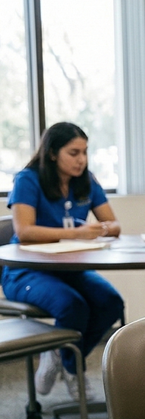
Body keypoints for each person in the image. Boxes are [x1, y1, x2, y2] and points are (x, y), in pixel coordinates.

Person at [2, 122, 125, 400]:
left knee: (110, 303)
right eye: (74, 153)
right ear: (53, 153)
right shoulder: (28, 179)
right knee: (73, 306)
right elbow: (25, 231)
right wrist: (77, 233)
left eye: (85, 152)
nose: (81, 159)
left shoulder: (87, 181)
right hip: (25, 271)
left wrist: (101, 229)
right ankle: (70, 364)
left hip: (69, 270)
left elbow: (114, 225)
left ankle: (65, 359)